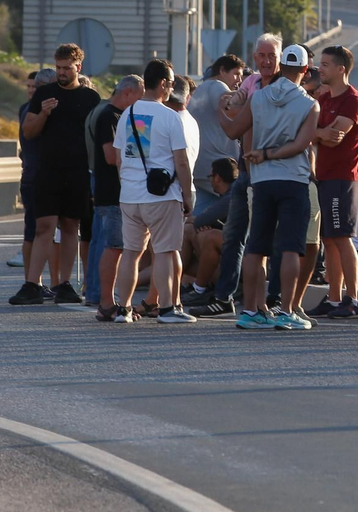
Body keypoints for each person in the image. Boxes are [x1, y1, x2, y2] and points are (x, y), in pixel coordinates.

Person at [219, 44, 320, 332]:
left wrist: (219, 110)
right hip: (293, 179)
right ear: (304, 69)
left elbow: (232, 130)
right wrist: (271, 154)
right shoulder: (309, 103)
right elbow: (302, 145)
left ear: (280, 67)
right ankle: (286, 311)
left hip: (261, 181)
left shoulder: (258, 97)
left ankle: (251, 310)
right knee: (290, 248)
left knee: (256, 247)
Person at [190, 34, 281, 316]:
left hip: (273, 174)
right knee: (234, 237)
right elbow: (235, 107)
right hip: (246, 174)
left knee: (270, 242)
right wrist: (233, 102)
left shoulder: (284, 87)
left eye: (272, 56)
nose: (266, 61)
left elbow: (241, 117)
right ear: (255, 58)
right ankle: (224, 297)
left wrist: (234, 108)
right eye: (262, 56)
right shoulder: (251, 83)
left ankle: (273, 302)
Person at [11, 44, 101, 306]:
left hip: (78, 173)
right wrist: (44, 113)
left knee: (72, 226)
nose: (61, 73)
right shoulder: (44, 94)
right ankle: (32, 284)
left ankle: (64, 283)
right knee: (44, 227)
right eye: (58, 68)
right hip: (47, 171)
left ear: (78, 67)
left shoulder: (90, 98)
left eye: (66, 68)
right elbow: (28, 131)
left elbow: (96, 137)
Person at [112, 59, 197, 324]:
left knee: (131, 252)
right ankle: (168, 308)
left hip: (130, 195)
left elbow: (118, 158)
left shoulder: (128, 113)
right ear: (162, 84)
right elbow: (181, 161)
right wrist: (187, 194)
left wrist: (128, 183)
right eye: (171, 83)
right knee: (164, 250)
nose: (172, 88)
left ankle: (123, 309)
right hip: (162, 196)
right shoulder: (170, 117)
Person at [309, 45, 358, 318]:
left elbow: (335, 134)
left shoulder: (352, 99)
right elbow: (316, 134)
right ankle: (334, 298)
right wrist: (317, 133)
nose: (320, 69)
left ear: (341, 68)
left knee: (342, 238)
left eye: (325, 64)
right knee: (329, 240)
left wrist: (316, 133)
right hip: (324, 176)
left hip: (342, 178)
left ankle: (352, 299)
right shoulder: (326, 98)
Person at [86, 75, 143, 314]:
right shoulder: (109, 116)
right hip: (111, 192)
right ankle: (105, 301)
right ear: (128, 93)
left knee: (113, 245)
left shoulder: (120, 117)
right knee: (114, 247)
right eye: (139, 97)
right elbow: (111, 156)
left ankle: (102, 297)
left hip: (117, 192)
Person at [8, 69, 50, 273]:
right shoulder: (30, 110)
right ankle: (33, 280)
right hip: (34, 174)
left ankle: (36, 280)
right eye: (29, 87)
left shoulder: (30, 108)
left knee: (38, 231)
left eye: (35, 87)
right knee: (36, 231)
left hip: (34, 173)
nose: (32, 91)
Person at [187, 55, 244, 197]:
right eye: (236, 74)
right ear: (222, 70)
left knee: (205, 216)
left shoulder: (203, 88)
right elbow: (231, 108)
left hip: (201, 168)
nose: (240, 80)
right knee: (235, 210)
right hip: (218, 170)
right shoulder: (217, 86)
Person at [184, 157, 239, 303]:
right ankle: (168, 284)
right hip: (236, 253)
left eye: (210, 176)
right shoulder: (227, 195)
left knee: (208, 236)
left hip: (244, 259)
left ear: (217, 178)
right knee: (190, 231)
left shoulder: (233, 195)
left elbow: (201, 220)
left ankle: (199, 289)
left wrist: (200, 221)